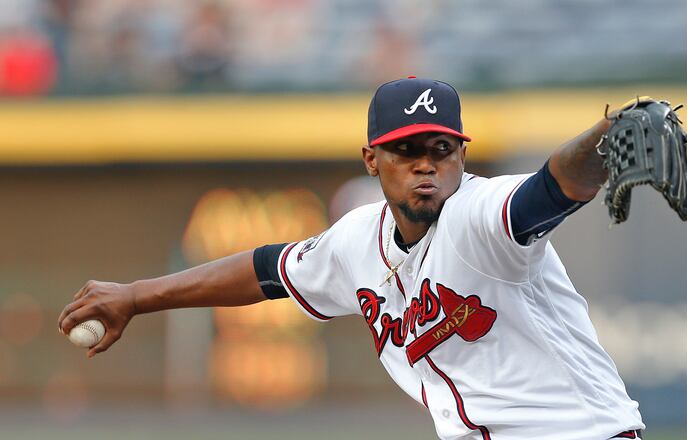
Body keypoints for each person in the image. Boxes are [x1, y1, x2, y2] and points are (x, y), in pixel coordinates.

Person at [58, 77, 645, 440]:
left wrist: (610, 133)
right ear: (371, 159)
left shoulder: (481, 214)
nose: (425, 164)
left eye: (441, 149)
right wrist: (136, 295)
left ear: (461, 155)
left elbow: (554, 185)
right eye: (405, 150)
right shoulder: (356, 242)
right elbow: (265, 271)